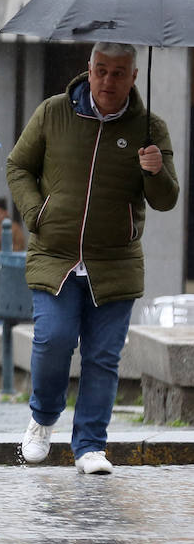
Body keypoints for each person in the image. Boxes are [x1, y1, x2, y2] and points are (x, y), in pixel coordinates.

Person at [9, 42, 179, 474]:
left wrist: (155, 171)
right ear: (89, 69)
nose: (107, 81)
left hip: (115, 261)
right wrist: (36, 212)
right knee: (53, 341)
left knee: (103, 356)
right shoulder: (53, 112)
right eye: (101, 70)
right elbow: (18, 166)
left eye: (118, 73)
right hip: (56, 254)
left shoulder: (150, 128)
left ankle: (89, 445)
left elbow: (166, 200)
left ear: (134, 77)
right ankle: (43, 419)